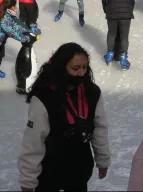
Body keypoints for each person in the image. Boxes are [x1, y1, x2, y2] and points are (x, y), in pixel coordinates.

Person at [19, 43, 111, 192]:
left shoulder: (92, 92)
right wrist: (28, 181)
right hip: (49, 173)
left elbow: (99, 128)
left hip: (79, 171)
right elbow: (33, 142)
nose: (81, 73)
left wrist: (103, 159)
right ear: (61, 68)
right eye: (75, 69)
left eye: (84, 67)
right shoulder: (44, 97)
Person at [102, 0, 135, 70]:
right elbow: (132, 0)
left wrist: (106, 11)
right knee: (124, 36)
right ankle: (123, 57)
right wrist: (129, 11)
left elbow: (104, 0)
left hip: (112, 13)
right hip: (126, 14)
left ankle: (109, 55)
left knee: (112, 33)